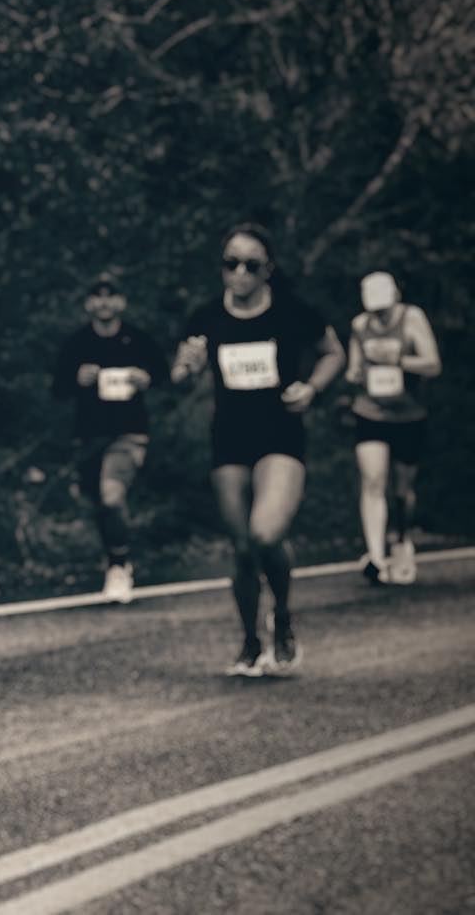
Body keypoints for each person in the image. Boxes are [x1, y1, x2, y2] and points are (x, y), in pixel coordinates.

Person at [170, 223, 344, 677]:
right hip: (229, 439)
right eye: (231, 263)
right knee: (243, 547)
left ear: (268, 269)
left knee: (266, 533)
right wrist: (186, 369)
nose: (240, 272)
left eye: (251, 264)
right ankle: (250, 638)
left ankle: (282, 615)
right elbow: (180, 373)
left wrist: (312, 388)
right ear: (222, 269)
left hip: (280, 436)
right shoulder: (206, 317)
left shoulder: (291, 312)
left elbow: (333, 352)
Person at [52, 273, 168, 603]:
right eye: (97, 296)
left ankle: (119, 565)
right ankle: (114, 556)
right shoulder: (77, 343)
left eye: (111, 295)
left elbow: (164, 376)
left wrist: (145, 377)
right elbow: (57, 389)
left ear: (122, 302)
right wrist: (77, 379)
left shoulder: (138, 339)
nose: (104, 302)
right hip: (88, 435)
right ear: (89, 303)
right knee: (97, 502)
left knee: (111, 496)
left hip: (129, 433)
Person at [345, 271, 441, 585]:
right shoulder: (360, 326)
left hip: (409, 414)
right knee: (372, 480)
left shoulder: (412, 319)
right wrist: (358, 372)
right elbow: (353, 369)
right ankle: (375, 556)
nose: (379, 316)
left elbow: (432, 364)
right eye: (375, 310)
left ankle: (401, 541)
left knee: (402, 490)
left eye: (383, 309)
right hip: (371, 411)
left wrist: (398, 358)